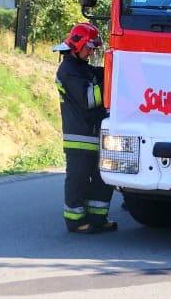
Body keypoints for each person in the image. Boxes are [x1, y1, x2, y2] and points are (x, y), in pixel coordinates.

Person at [52, 22, 117, 234]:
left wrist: (114, 68)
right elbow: (88, 99)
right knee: (78, 179)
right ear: (76, 45)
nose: (91, 52)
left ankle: (97, 218)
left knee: (102, 179)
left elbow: (97, 73)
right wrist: (109, 83)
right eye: (89, 47)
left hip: (95, 135)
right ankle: (75, 220)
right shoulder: (68, 70)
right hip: (79, 137)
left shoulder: (81, 67)